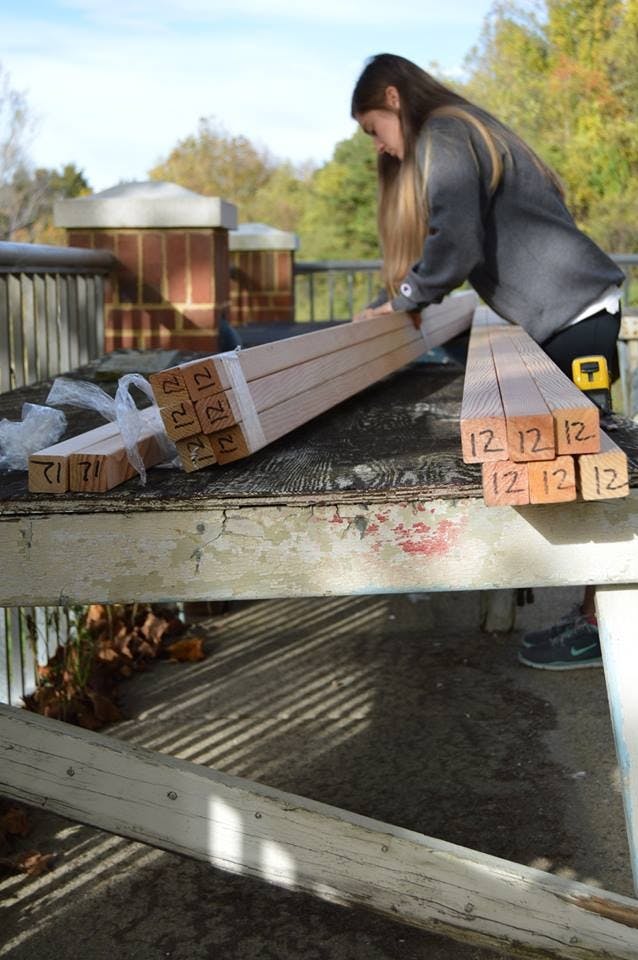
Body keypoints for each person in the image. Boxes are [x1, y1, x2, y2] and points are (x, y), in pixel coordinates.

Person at [350, 53, 625, 670]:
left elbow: (456, 241)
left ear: (393, 99)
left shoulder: (445, 132)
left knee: (587, 467)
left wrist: (405, 301)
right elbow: (447, 245)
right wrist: (399, 298)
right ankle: (593, 616)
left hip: (576, 315)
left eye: (374, 131)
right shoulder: (463, 129)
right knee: (580, 461)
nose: (385, 150)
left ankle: (601, 628)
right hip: (568, 312)